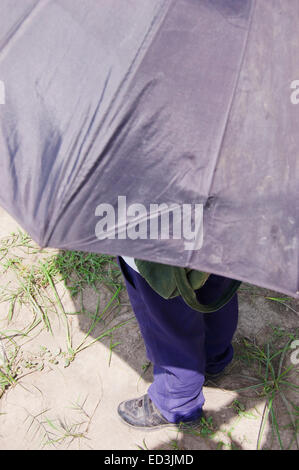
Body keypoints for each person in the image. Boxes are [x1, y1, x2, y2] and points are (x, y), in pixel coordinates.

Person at [116, 255, 238, 429]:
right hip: (220, 237)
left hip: (156, 246)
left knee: (166, 319)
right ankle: (213, 358)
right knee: (215, 278)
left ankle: (177, 400)